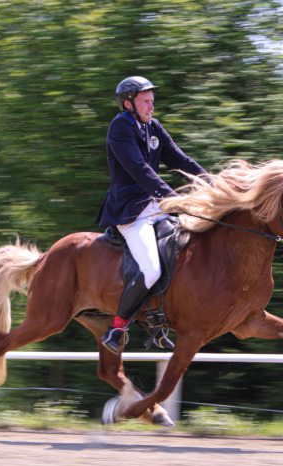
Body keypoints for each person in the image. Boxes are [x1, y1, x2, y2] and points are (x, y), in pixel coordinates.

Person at [96, 76, 206, 354]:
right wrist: (172, 197)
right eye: (145, 101)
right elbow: (139, 169)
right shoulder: (119, 128)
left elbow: (180, 161)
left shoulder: (152, 128)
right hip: (131, 212)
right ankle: (117, 327)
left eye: (152, 101)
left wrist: (211, 183)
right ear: (127, 103)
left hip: (156, 208)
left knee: (184, 253)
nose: (151, 106)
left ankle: (157, 324)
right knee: (152, 269)